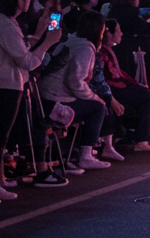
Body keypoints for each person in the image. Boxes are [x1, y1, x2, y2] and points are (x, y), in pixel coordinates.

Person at [0, 0, 62, 202]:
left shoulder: (8, 23)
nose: (30, 1)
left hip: (7, 84)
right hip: (3, 86)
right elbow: (27, 61)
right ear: (19, 0)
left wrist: (39, 35)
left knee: (0, 136)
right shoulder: (6, 26)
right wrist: (47, 42)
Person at [38, 10, 113, 169]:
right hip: (56, 98)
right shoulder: (85, 49)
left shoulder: (71, 40)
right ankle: (86, 155)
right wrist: (94, 97)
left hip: (46, 94)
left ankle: (81, 151)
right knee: (98, 108)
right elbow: (75, 81)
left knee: (95, 104)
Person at [98, 19, 150, 151]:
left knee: (145, 92)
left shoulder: (108, 50)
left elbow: (119, 73)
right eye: (118, 31)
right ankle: (141, 139)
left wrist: (135, 83)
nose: (121, 34)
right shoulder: (101, 53)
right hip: (109, 90)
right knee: (147, 96)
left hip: (114, 86)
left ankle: (136, 134)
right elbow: (107, 78)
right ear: (109, 34)